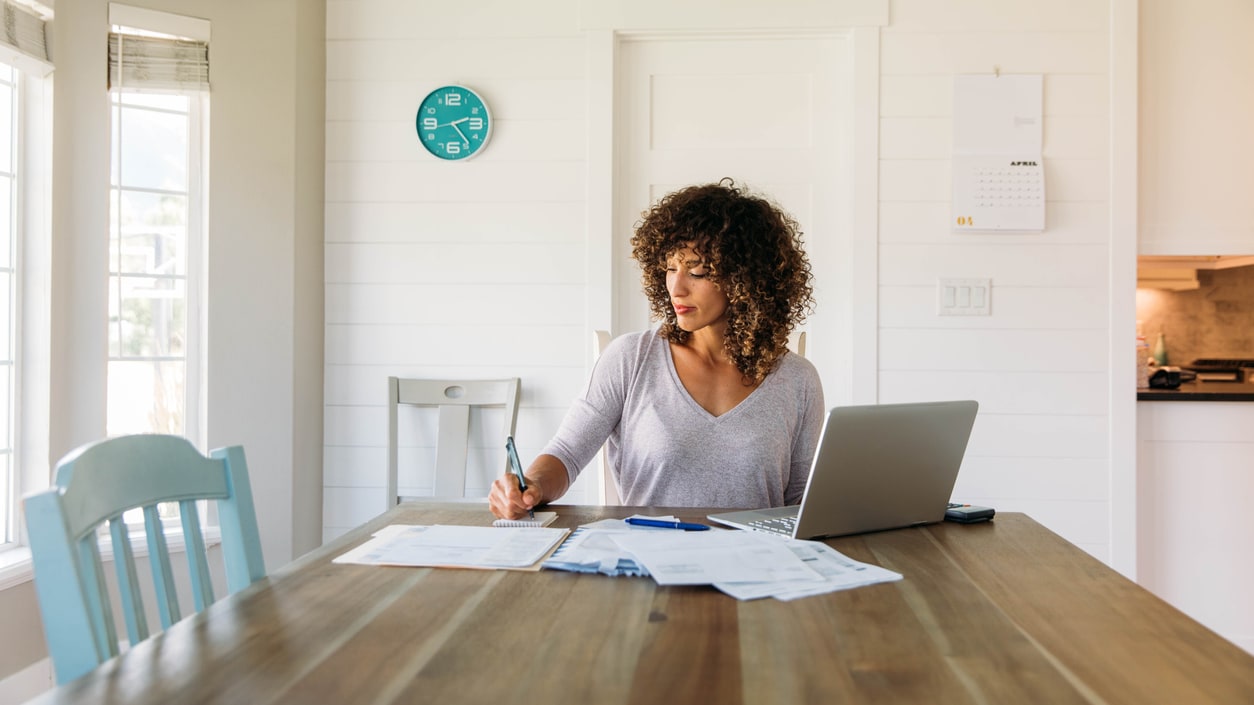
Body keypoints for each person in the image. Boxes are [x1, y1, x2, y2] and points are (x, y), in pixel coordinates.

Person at [489, 178, 824, 519]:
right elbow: (566, 453)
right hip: (647, 560)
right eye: (670, 268)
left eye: (698, 272)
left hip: (757, 564)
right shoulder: (631, 358)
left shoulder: (797, 379)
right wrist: (530, 486)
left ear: (747, 280)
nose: (676, 288)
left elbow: (801, 501)